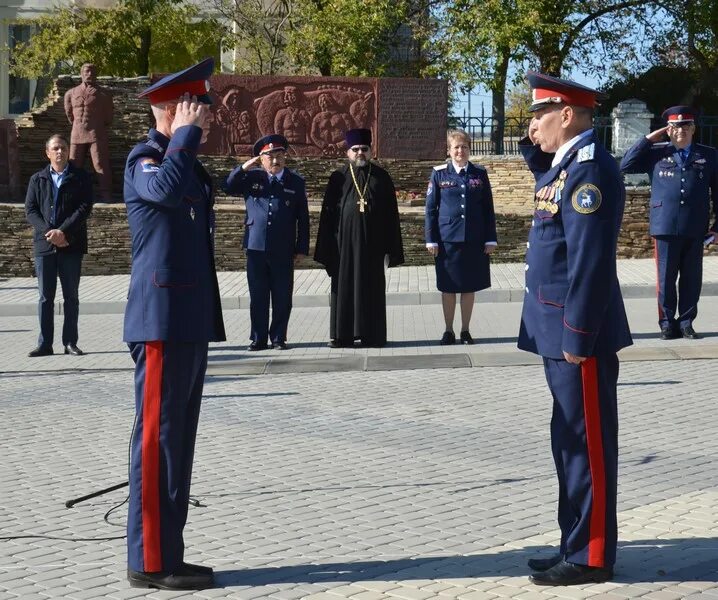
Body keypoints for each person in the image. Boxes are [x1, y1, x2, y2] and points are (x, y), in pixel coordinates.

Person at [518, 72, 633, 586]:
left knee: (587, 444)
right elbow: (546, 179)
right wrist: (536, 141)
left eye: (538, 114)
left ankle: (591, 555)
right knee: (567, 440)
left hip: (575, 334)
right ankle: (574, 539)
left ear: (566, 114)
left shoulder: (590, 171)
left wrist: (578, 336)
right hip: (555, 328)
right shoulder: (567, 164)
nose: (530, 125)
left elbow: (589, 262)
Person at [123, 57, 226, 591]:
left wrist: (187, 142)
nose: (206, 118)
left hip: (188, 321)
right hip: (159, 322)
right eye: (197, 108)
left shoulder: (187, 163)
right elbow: (162, 192)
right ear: (175, 110)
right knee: (156, 441)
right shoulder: (146, 159)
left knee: (178, 443)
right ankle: (147, 559)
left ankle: (170, 551)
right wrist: (181, 135)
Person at [620, 106, 718, 339]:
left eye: (685, 126)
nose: (680, 131)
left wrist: (716, 228)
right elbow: (625, 165)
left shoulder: (709, 155)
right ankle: (666, 323)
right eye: (675, 126)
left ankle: (686, 322)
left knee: (692, 278)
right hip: (665, 226)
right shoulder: (656, 153)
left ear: (693, 128)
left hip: (695, 226)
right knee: (665, 278)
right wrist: (648, 139)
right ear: (668, 130)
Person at [314, 128, 404, 347]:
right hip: (343, 249)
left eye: (364, 149)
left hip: (373, 248)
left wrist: (391, 250)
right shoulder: (338, 178)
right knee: (343, 289)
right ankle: (342, 336)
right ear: (348, 152)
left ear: (371, 150)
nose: (360, 153)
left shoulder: (381, 177)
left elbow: (392, 215)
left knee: (372, 290)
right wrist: (327, 249)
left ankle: (371, 335)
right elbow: (327, 216)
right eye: (355, 149)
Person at [224, 134, 309, 350]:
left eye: (279, 155)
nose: (274, 160)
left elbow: (303, 219)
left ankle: (279, 337)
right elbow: (227, 186)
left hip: (283, 249)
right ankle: (258, 338)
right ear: (261, 159)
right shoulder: (253, 179)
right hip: (256, 247)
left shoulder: (295, 182)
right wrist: (244, 167)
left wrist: (301, 249)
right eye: (269, 156)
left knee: (282, 296)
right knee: (258, 296)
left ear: (285, 158)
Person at [425, 129, 497, 345]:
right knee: (448, 287)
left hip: (474, 239)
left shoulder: (479, 173)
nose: (460, 151)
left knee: (469, 287)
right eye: (456, 147)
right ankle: (448, 331)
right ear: (449, 150)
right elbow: (430, 210)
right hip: (447, 241)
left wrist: (490, 238)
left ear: (469, 149)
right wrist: (431, 239)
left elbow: (488, 208)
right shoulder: (439, 173)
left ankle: (465, 330)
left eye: (464, 146)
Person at [25, 133, 93, 357]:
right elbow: (31, 210)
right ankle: (45, 344)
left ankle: (70, 342)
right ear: (47, 152)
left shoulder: (80, 177)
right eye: (55, 148)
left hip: (71, 244)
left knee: (71, 296)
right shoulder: (38, 179)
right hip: (44, 246)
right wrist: (49, 232)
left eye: (63, 147)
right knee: (46, 297)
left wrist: (63, 232)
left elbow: (84, 207)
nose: (60, 152)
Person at [64, 63, 114, 201]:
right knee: (74, 164)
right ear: (81, 73)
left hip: (96, 133)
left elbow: (108, 117)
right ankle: (72, 194)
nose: (89, 74)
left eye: (92, 71)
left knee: (100, 163)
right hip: (77, 133)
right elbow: (70, 115)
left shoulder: (104, 94)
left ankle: (106, 194)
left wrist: (95, 124)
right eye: (87, 71)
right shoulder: (71, 93)